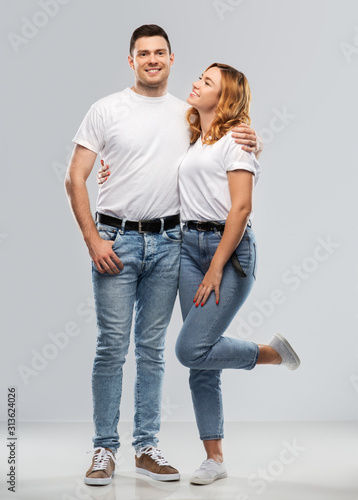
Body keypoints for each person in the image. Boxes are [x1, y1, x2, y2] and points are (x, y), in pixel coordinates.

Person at [65, 25, 262, 486]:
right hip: (116, 240)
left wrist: (254, 139)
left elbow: (222, 150)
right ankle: (103, 449)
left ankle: (146, 447)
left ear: (172, 59)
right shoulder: (106, 109)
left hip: (171, 243)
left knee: (153, 349)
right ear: (130, 61)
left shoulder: (188, 115)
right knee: (112, 347)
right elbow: (76, 176)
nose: (152, 59)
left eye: (160, 52)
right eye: (143, 53)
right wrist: (93, 240)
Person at [173, 63, 301, 485]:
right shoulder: (194, 141)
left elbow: (241, 208)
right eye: (199, 76)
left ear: (224, 98)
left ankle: (270, 354)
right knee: (201, 362)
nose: (196, 83)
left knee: (191, 348)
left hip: (228, 255)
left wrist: (214, 267)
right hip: (187, 248)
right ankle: (215, 458)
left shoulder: (236, 141)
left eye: (207, 82)